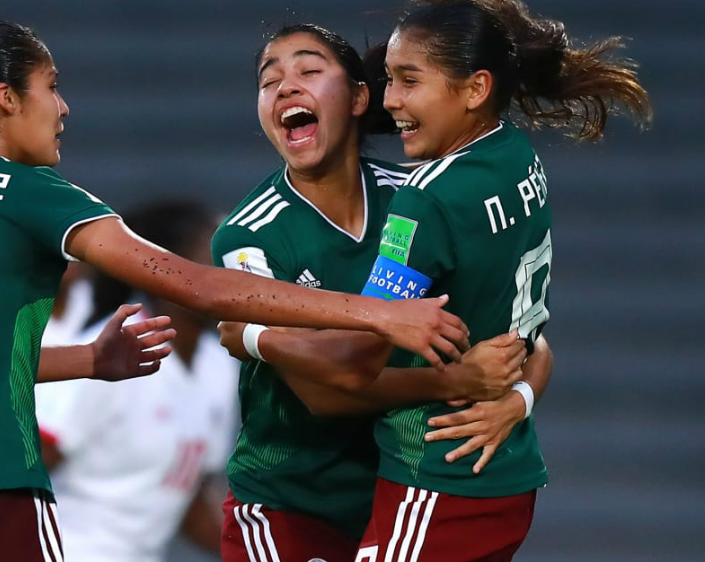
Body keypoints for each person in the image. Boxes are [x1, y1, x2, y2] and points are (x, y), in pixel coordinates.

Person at [0, 18, 469, 561]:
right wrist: (382, 315)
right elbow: (198, 286)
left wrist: (87, 362)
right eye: (51, 87)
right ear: (4, 99)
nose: (64, 107)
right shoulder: (25, 192)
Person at [211, 24, 548, 562]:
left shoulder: (418, 200)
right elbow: (325, 393)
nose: (286, 87)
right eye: (268, 80)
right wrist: (455, 379)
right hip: (290, 506)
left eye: (309, 70)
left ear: (360, 97)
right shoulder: (249, 237)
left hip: (394, 496)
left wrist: (516, 398)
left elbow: (522, 332)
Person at [350, 1, 651, 560]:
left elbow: (358, 355)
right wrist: (520, 395)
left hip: (439, 477)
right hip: (506, 468)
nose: (390, 99)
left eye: (410, 80)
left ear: (475, 88)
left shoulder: (426, 200)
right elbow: (532, 337)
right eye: (390, 80)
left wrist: (258, 331)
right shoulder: (515, 155)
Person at [36, 200, 238, 562]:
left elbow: (184, 499)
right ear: (164, 277)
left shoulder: (219, 364)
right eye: (211, 264)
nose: (226, 280)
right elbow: (33, 463)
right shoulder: (115, 351)